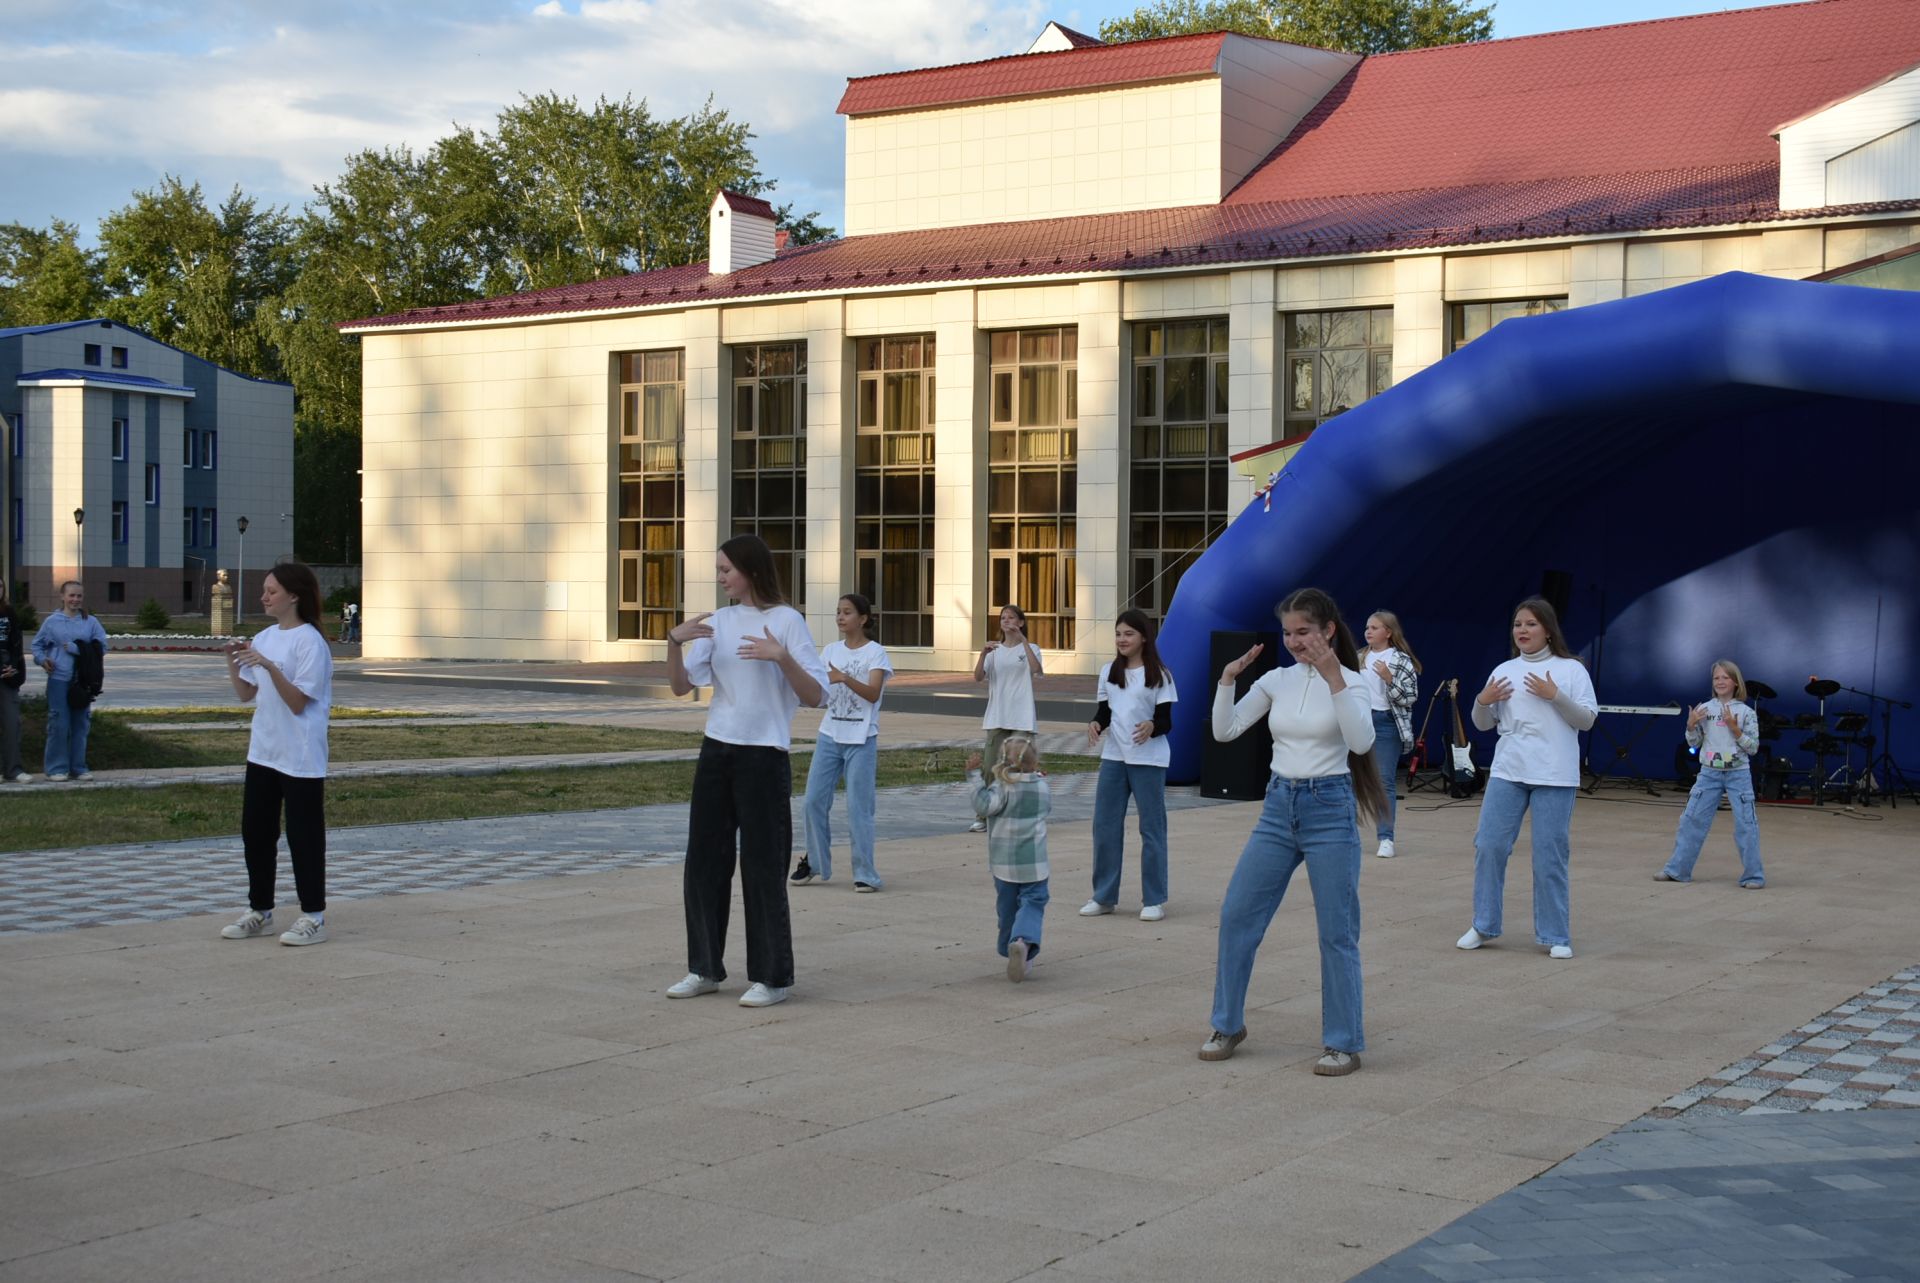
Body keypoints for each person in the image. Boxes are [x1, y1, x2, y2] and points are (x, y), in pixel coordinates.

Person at [1201, 587, 1384, 1076]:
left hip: (1330, 809)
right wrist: (1226, 681)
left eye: (1303, 631)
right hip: (1279, 808)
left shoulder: (1353, 680)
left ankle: (1343, 1042)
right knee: (1238, 913)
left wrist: (1332, 678)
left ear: (1327, 630)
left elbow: (1362, 741)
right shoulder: (1277, 680)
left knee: (1336, 932)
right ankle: (1227, 1024)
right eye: (1287, 633)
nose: (1294, 641)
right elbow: (1226, 731)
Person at [665, 534, 827, 1009]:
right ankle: (704, 969)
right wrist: (673, 642)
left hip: (764, 756)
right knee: (704, 865)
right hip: (717, 752)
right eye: (718, 570)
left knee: (762, 868)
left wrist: (782, 657)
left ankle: (773, 978)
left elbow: (818, 695)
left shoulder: (787, 621)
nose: (720, 578)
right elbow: (679, 687)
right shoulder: (715, 622)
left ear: (751, 570)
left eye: (725, 570)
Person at [1456, 596, 1597, 960]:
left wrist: (1556, 696)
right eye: (1518, 624)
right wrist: (1481, 701)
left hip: (1554, 774)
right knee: (1489, 845)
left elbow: (1586, 720)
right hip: (1508, 770)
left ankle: (1555, 934)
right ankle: (1483, 924)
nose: (1522, 630)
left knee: (1549, 855)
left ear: (1548, 630)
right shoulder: (1503, 669)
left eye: (1531, 624)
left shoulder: (1571, 670)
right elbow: (1483, 725)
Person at [217, 562, 336, 947]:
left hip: (300, 755)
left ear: (294, 596)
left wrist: (269, 666)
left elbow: (298, 702)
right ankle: (260, 910)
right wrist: (235, 661)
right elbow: (246, 694)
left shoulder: (310, 642)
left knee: (303, 836)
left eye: (271, 591)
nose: (264, 597)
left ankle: (313, 916)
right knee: (256, 832)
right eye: (264, 590)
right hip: (264, 751)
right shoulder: (265, 636)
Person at [793, 593, 893, 892]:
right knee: (812, 802)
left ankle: (865, 874)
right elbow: (818, 688)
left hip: (862, 738)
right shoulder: (831, 650)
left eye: (847, 612)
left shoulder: (876, 653)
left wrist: (844, 678)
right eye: (838, 612)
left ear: (863, 618)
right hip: (829, 736)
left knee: (858, 808)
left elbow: (874, 694)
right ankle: (815, 862)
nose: (840, 617)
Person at [1083, 609, 1178, 921]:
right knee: (1105, 827)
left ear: (1144, 637)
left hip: (1148, 759)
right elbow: (1104, 712)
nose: (1122, 639)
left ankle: (1153, 899)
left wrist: (1152, 725)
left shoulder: (1160, 675)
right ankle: (1104, 897)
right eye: (1118, 633)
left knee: (1151, 829)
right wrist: (1096, 724)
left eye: (1128, 634)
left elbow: (1166, 721)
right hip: (1114, 758)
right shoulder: (1109, 671)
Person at [1657, 660, 1765, 889]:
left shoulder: (1746, 712)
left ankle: (1753, 876)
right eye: (1716, 678)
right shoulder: (1705, 708)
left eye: (1725, 677)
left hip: (1738, 774)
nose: (1720, 681)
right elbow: (1695, 742)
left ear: (1735, 682)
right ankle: (1678, 870)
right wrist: (1690, 726)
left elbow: (1753, 748)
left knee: (1746, 824)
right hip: (1709, 773)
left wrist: (1734, 729)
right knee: (1691, 820)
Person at [967, 735, 1051, 983]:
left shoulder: (1001, 788)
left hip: (1003, 863)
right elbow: (1047, 809)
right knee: (1033, 902)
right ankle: (1022, 941)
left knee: (1007, 908)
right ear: (1035, 762)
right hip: (1034, 862)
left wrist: (974, 778)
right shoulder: (1042, 786)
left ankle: (1010, 945)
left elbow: (984, 807)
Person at [970, 604, 1042, 832]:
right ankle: (984, 814)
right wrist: (982, 654)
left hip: (1022, 718)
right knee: (991, 767)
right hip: (997, 717)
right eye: (1003, 618)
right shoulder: (994, 651)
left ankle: (1020, 814)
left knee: (1019, 768)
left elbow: (1036, 669)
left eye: (1012, 618)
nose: (1007, 621)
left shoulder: (1031, 647)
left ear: (1021, 622)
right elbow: (978, 677)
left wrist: (1021, 639)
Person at [31, 580, 109, 783]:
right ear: (62, 597)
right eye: (71, 595)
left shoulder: (90, 622)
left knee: (81, 724)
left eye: (79, 596)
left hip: (82, 681)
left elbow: (101, 646)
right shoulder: (52, 622)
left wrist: (78, 649)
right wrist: (42, 660)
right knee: (59, 723)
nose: (75, 600)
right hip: (58, 679)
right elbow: (37, 645)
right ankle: (57, 768)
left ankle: (78, 767)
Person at [1359, 611, 1421, 858]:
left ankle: (1386, 838)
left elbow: (1409, 697)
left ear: (1388, 632)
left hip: (1386, 723)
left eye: (1374, 627)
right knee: (1344, 777)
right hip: (1360, 721)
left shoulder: (1401, 660)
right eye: (1367, 627)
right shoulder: (1358, 658)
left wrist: (1389, 679)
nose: (1368, 631)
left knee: (1384, 781)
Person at [0, 582, 31, 783]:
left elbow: (16, 643)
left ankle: (13, 769)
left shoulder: (9, 612)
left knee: (12, 723)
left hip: (6, 672)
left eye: (0, 587)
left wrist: (13, 666)